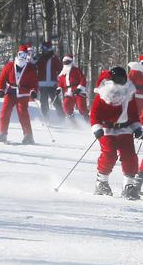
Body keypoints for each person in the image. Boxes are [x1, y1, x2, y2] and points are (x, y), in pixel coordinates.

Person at [90, 66, 142, 199]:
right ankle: (102, 181)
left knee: (130, 156)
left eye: (123, 79)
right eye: (118, 79)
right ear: (112, 79)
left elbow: (133, 113)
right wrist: (96, 127)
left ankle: (128, 186)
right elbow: (94, 113)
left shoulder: (128, 93)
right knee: (109, 154)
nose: (121, 82)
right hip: (107, 130)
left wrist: (137, 127)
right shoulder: (104, 94)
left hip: (125, 129)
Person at [0, 44, 39, 144]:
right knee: (5, 112)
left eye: (24, 55)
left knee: (22, 113)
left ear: (27, 56)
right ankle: (2, 133)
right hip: (10, 91)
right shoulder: (10, 65)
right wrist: (0, 89)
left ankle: (28, 135)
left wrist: (33, 91)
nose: (22, 57)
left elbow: (34, 83)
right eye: (20, 54)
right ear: (17, 54)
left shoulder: (30, 68)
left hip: (23, 93)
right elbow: (2, 78)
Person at [34, 40, 63, 120]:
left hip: (52, 85)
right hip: (42, 85)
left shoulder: (54, 58)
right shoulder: (40, 58)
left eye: (46, 48)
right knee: (44, 103)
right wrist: (34, 59)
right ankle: (46, 119)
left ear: (50, 49)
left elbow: (61, 71)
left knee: (56, 102)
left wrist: (59, 83)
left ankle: (62, 118)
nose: (44, 50)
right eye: (43, 48)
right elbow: (31, 66)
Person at [57, 55, 89, 122]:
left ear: (71, 62)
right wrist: (59, 89)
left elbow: (83, 79)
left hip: (78, 92)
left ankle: (89, 122)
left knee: (81, 107)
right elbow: (60, 83)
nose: (66, 64)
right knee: (66, 106)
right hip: (68, 93)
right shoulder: (62, 74)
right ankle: (73, 124)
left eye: (67, 62)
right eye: (64, 62)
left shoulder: (76, 70)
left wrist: (79, 88)